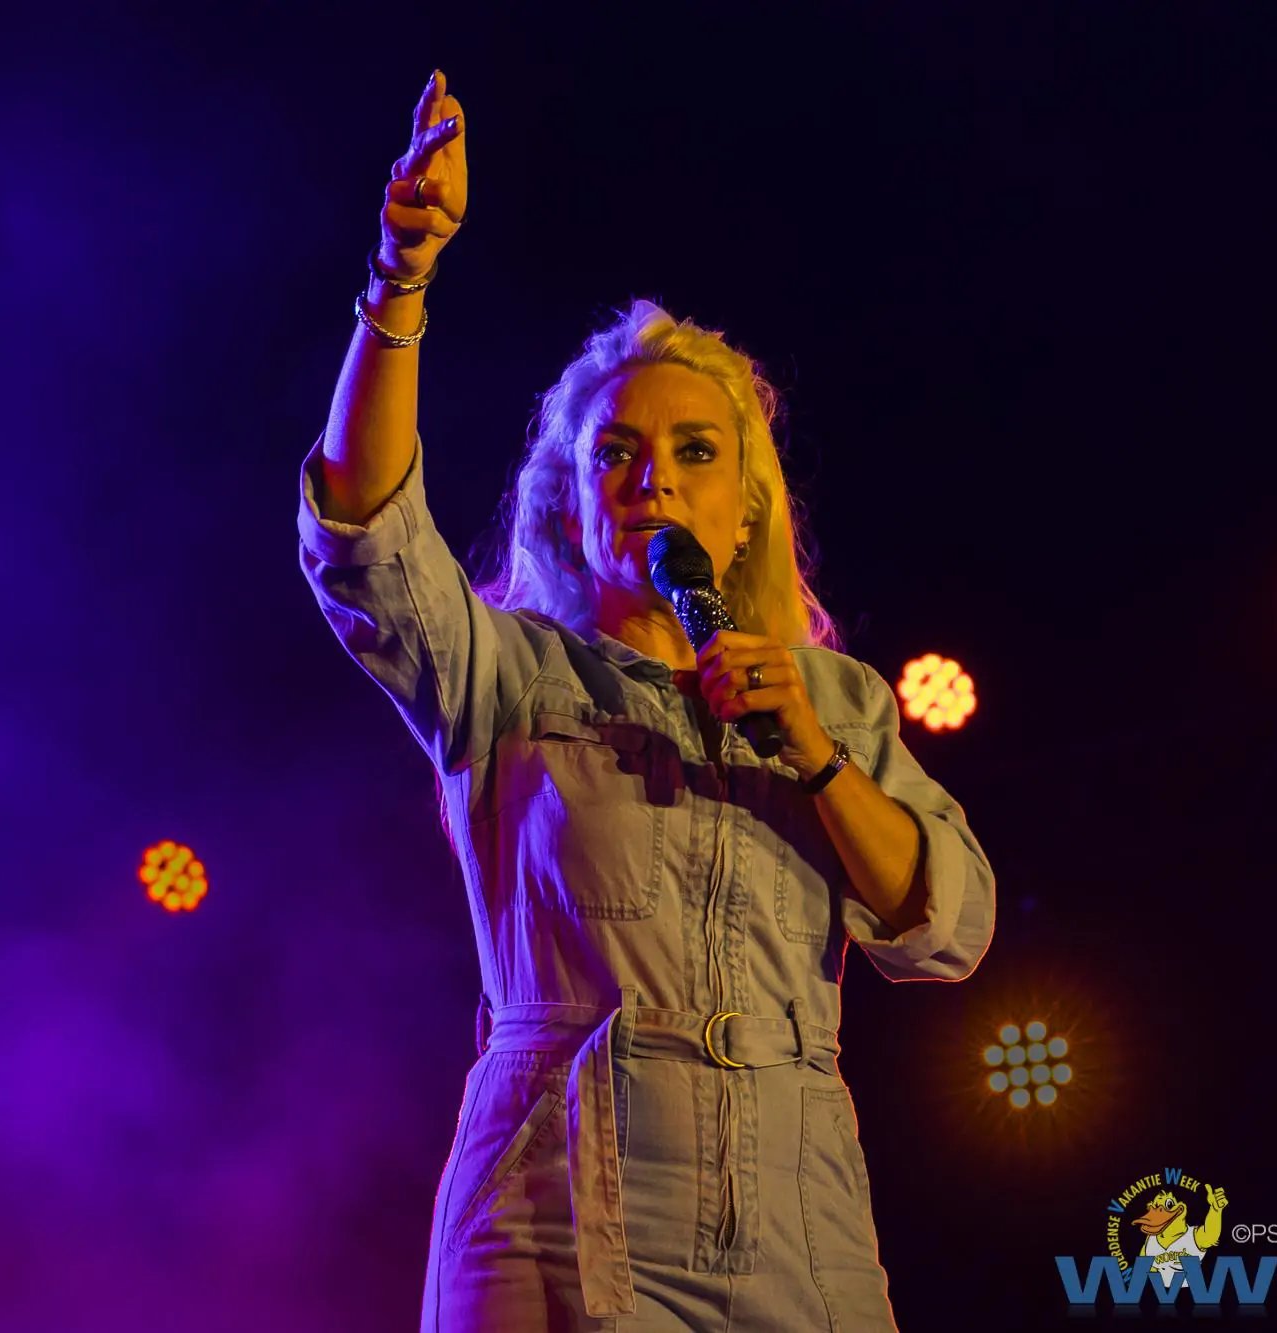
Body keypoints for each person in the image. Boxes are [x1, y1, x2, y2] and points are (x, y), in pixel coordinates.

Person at [296, 71, 996, 1331]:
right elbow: (362, 537)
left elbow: (945, 929)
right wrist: (398, 279)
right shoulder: (507, 674)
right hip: (561, 1198)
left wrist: (814, 756)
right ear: (572, 507)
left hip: (796, 1210)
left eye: (692, 453)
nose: (650, 480)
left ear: (745, 508)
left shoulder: (835, 699)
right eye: (613, 455)